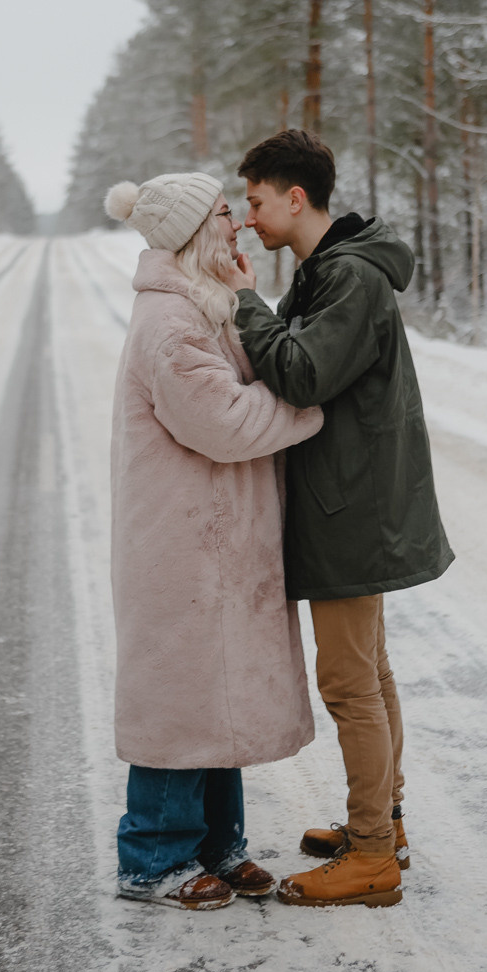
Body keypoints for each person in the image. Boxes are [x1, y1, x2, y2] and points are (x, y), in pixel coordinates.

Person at [226, 129, 454, 910]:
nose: (247, 218)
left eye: (254, 202)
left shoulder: (347, 278)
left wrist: (240, 300)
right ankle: (379, 823)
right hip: (351, 500)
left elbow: (300, 373)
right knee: (372, 673)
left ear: (294, 197)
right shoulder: (329, 271)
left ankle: (369, 858)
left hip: (350, 507)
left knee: (349, 683)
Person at [104, 171, 324, 910]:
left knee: (215, 696)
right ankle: (151, 858)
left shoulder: (202, 304)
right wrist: (306, 409)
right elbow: (225, 424)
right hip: (181, 541)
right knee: (180, 697)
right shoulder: (169, 324)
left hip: (215, 540)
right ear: (197, 229)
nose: (237, 226)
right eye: (225, 215)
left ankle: (216, 846)